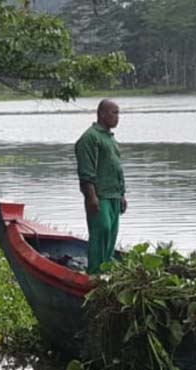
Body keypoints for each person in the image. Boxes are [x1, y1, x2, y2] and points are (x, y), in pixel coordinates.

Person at [75, 99, 127, 273]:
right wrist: (91, 196)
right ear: (102, 114)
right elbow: (86, 171)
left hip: (113, 195)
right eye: (114, 113)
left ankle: (107, 273)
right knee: (101, 232)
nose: (117, 117)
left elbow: (116, 168)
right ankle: (94, 273)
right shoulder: (90, 138)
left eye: (118, 113)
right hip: (99, 196)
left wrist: (122, 194)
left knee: (111, 236)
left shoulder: (110, 138)